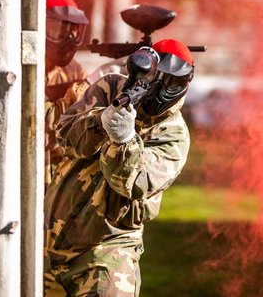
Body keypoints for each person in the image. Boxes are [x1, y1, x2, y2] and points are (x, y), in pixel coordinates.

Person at [44, 39, 195, 296]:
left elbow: (132, 183)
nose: (162, 92)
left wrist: (124, 139)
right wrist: (100, 121)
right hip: (49, 243)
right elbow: (65, 135)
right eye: (158, 81)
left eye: (174, 85)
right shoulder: (112, 86)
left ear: (186, 84)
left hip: (106, 255)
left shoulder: (174, 136)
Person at [45, 0, 90, 188]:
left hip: (56, 172)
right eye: (58, 29)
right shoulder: (22, 66)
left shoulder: (74, 71)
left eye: (73, 30)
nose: (68, 38)